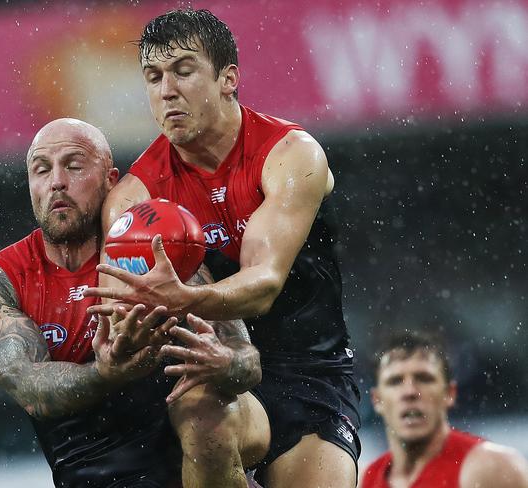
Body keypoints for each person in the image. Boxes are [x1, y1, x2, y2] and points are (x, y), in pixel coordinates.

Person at [86, 9, 361, 488]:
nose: (166, 90)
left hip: (310, 375)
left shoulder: (291, 155)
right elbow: (118, 314)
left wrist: (183, 299)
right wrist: (119, 337)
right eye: (153, 77)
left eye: (184, 70)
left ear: (228, 78)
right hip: (209, 377)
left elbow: (264, 284)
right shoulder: (134, 199)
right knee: (201, 414)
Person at [0, 118, 261, 487]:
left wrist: (223, 362)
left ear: (110, 180)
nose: (56, 181)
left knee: (206, 412)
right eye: (41, 169)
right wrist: (105, 374)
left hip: (185, 453)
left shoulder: (158, 250)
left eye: (73, 166)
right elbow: (30, 388)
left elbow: (248, 363)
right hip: (92, 471)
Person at [360, 330, 528, 488]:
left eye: (424, 379)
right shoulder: (365, 481)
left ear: (449, 393)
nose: (410, 392)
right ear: (377, 400)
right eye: (395, 381)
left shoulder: (493, 469)